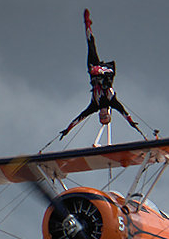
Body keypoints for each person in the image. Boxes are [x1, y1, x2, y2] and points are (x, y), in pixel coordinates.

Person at [59, 8, 145, 145]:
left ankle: (87, 24)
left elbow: (79, 118)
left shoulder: (95, 105)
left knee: (90, 46)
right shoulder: (112, 102)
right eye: (105, 116)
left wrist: (67, 130)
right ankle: (98, 69)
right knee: (98, 72)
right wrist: (133, 125)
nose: (103, 114)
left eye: (101, 116)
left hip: (94, 72)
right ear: (109, 113)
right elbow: (125, 114)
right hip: (107, 71)